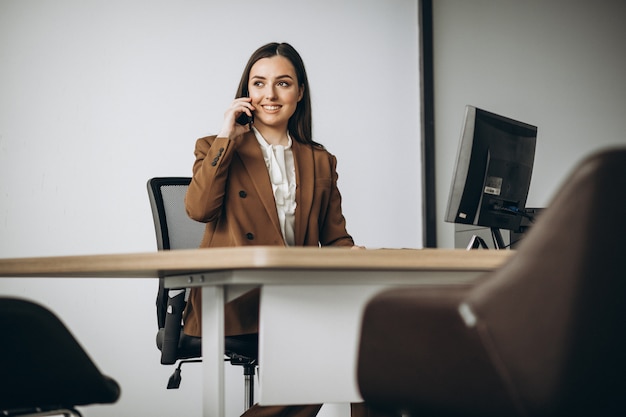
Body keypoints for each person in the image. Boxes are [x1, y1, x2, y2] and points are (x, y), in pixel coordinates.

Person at [183, 42, 383, 417]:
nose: (269, 95)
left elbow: (335, 238)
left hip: (296, 296)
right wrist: (226, 135)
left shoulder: (320, 160)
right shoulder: (216, 147)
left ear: (300, 92)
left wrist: (350, 252)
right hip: (235, 298)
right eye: (258, 84)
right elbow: (198, 209)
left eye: (283, 83)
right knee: (342, 356)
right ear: (247, 93)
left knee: (373, 348)